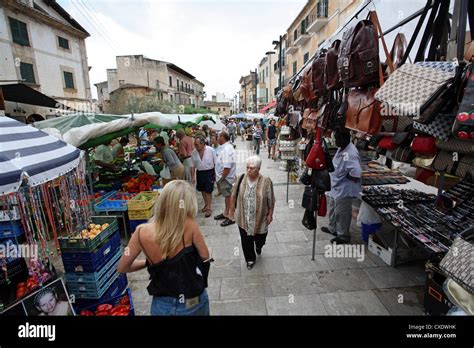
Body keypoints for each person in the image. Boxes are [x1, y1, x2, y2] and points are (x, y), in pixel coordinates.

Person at [117, 180, 211, 316]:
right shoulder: (190, 224)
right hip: (193, 300)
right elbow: (205, 256)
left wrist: (147, 263)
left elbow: (122, 267)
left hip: (162, 305)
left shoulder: (140, 232)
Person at [230, 156, 275, 270]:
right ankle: (250, 259)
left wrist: (270, 214)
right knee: (246, 240)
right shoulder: (240, 178)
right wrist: (232, 211)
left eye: (252, 168)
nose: (248, 170)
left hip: (260, 220)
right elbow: (233, 195)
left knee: (261, 238)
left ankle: (259, 246)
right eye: (247, 167)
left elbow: (271, 200)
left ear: (258, 169)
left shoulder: (266, 181)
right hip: (243, 219)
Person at [321, 129, 362, 245]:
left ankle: (343, 235)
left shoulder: (350, 153)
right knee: (333, 209)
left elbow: (356, 173)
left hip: (345, 189)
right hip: (336, 187)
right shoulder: (342, 147)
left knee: (342, 212)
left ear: (345, 139)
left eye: (337, 139)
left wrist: (344, 177)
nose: (335, 141)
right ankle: (333, 228)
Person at [213, 131, 236, 227]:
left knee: (229, 197)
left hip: (226, 178)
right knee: (227, 196)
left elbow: (227, 167)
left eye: (218, 136)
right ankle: (226, 213)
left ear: (223, 137)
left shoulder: (227, 149)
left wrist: (222, 178)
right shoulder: (226, 148)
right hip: (226, 177)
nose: (217, 138)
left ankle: (231, 217)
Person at [191, 136, 216, 218]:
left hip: (209, 172)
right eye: (195, 144)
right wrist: (193, 176)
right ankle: (206, 204)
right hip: (200, 172)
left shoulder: (210, 150)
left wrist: (217, 174)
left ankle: (209, 208)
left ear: (202, 144)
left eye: (197, 144)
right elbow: (192, 165)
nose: (195, 146)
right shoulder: (194, 152)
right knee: (202, 190)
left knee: (208, 190)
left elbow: (216, 162)